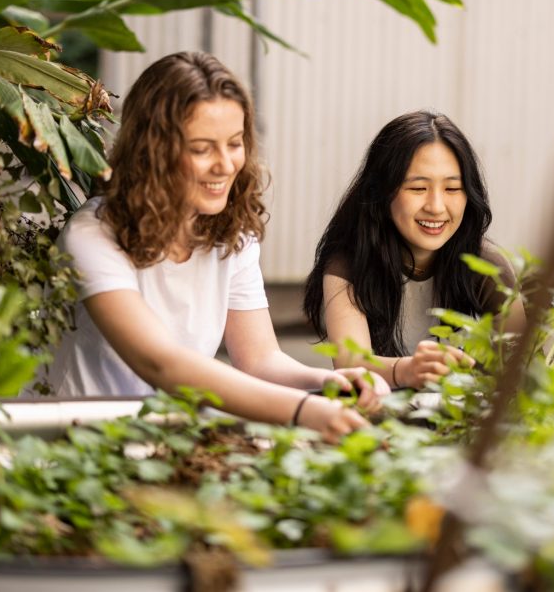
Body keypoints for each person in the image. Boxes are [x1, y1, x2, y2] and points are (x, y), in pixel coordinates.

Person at [47, 51, 388, 443]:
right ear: (153, 152)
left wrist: (330, 382)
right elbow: (160, 363)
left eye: (234, 143)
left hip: (164, 443)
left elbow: (260, 360)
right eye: (202, 148)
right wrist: (301, 410)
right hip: (73, 446)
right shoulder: (93, 236)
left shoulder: (233, 236)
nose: (226, 164)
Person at [303, 111, 526, 390]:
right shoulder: (349, 264)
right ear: (381, 193)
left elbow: (528, 366)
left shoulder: (488, 266)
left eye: (452, 188)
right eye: (419, 187)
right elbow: (352, 363)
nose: (436, 206)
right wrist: (408, 370)